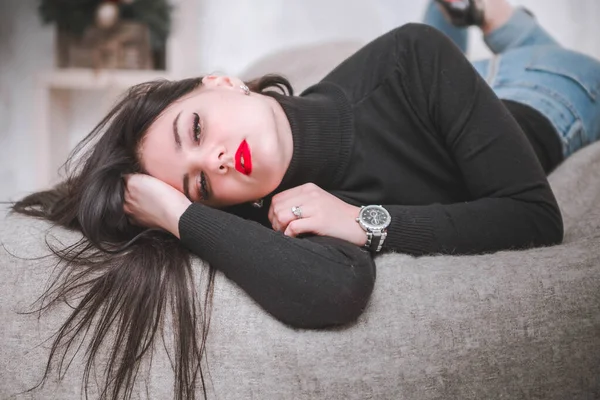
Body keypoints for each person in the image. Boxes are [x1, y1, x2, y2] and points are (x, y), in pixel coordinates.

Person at [11, 0, 600, 399]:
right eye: (198, 183)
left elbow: (535, 217)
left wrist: (364, 222)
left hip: (552, 95)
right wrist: (177, 214)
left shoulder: (407, 56)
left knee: (525, 58)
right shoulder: (266, 211)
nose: (213, 161)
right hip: (465, 98)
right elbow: (333, 289)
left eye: (195, 130)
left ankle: (485, 16)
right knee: (466, 71)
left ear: (219, 81)